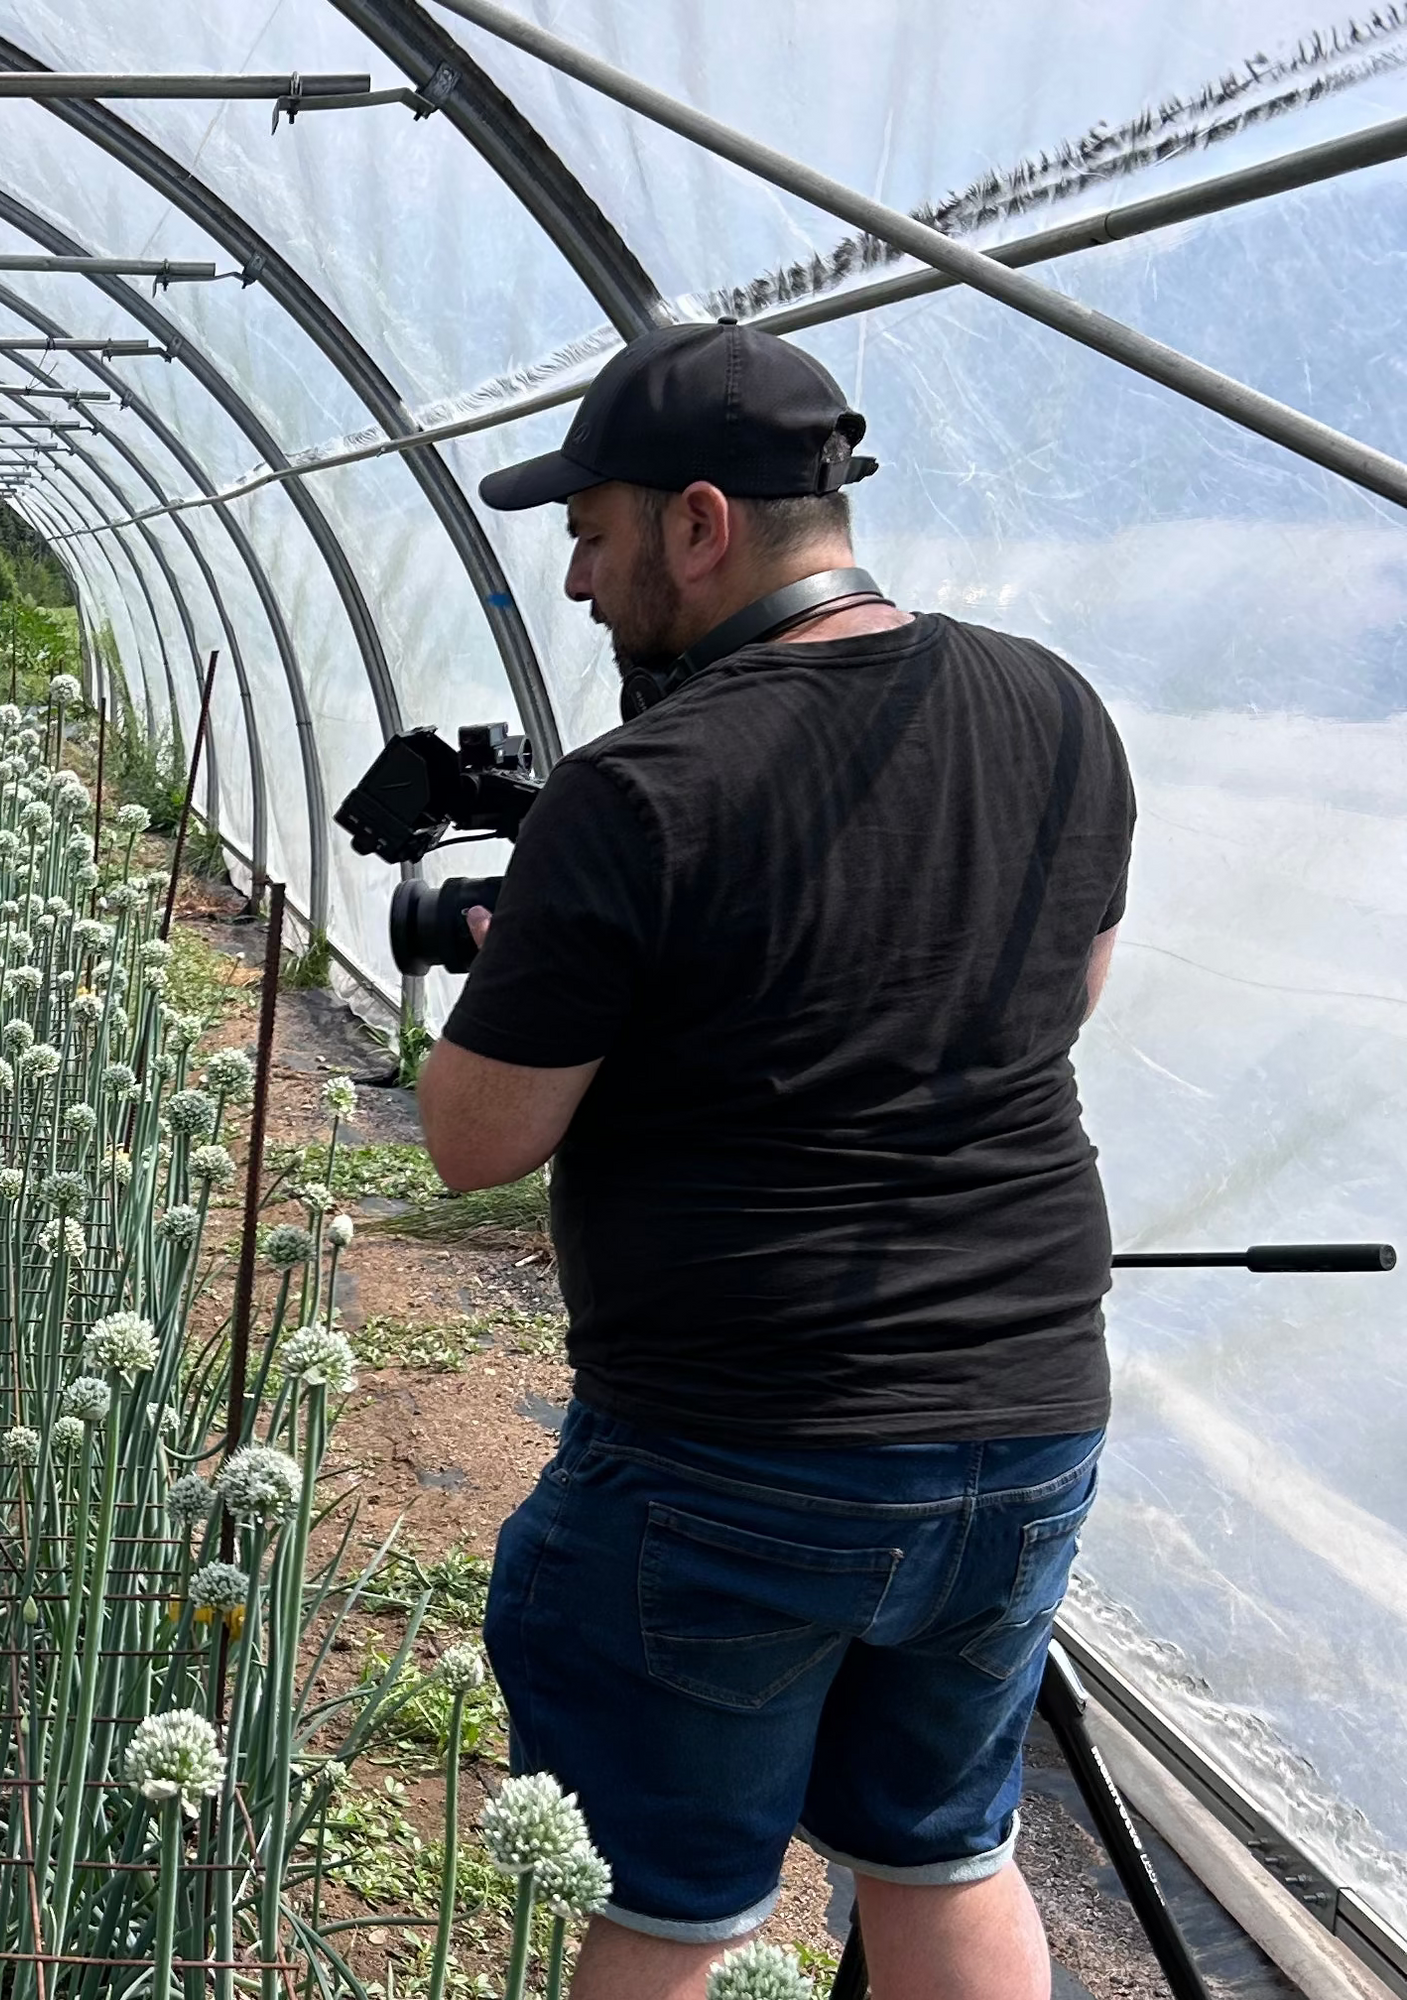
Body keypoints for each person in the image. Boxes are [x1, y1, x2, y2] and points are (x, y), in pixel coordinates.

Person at [429, 321, 1134, 2000]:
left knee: (674, 1901)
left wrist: (534, 949)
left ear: (697, 523)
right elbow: (1057, 1000)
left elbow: (475, 1136)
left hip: (741, 1447)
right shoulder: (1054, 705)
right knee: (946, 1852)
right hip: (1024, 1422)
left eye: (592, 536)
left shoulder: (644, 786)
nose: (584, 583)